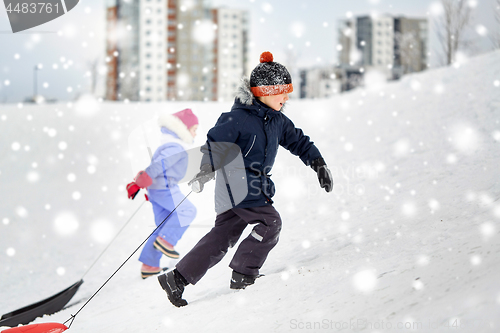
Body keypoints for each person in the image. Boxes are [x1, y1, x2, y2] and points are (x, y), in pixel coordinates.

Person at [157, 52, 333, 307]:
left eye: (288, 92)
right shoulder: (237, 118)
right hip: (239, 185)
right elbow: (216, 144)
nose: (286, 98)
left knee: (221, 237)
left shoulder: (277, 121)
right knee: (270, 223)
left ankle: (178, 278)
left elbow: (299, 141)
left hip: (246, 188)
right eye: (281, 92)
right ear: (264, 92)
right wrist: (206, 168)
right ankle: (244, 273)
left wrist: (317, 162)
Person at [126, 109, 199, 279]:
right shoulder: (175, 146)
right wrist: (142, 179)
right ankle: (167, 241)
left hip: (157, 189)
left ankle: (149, 265)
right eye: (194, 129)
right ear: (183, 128)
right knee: (188, 211)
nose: (195, 132)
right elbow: (159, 165)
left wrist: (145, 183)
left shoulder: (170, 144)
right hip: (165, 187)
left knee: (163, 225)